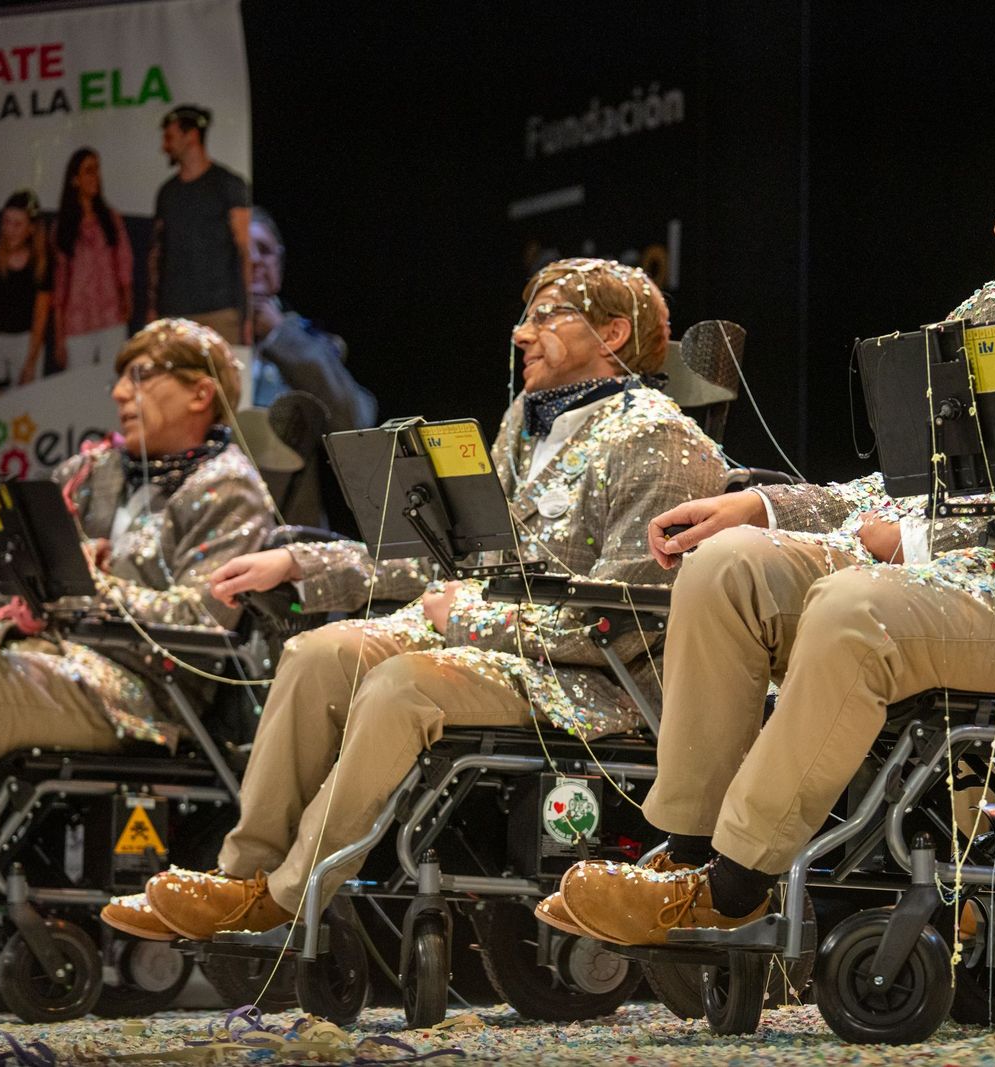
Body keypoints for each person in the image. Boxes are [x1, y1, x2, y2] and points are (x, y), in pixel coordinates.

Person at [535, 137, 995, 945]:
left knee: (855, 605)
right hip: (944, 581)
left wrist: (920, 536)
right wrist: (764, 508)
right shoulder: (986, 316)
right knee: (726, 567)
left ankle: (733, 885)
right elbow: (904, 481)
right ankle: (685, 854)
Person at [99, 259, 728, 941]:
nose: (522, 333)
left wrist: (469, 617)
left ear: (613, 332)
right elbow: (444, 555)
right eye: (525, 317)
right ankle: (240, 873)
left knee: (400, 685)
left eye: (548, 315)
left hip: (591, 681)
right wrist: (301, 562)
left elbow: (624, 618)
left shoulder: (660, 438)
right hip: (492, 643)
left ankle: (285, 895)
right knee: (316, 653)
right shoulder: (526, 425)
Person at [0, 320, 273, 943]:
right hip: (45, 661)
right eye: (120, 378)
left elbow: (204, 618)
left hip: (146, 692)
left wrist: (98, 587)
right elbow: (23, 604)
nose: (118, 393)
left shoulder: (230, 488)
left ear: (201, 393)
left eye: (140, 376)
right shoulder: (93, 472)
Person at [242, 205, 378, 527]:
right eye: (242, 252)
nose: (255, 260)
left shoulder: (308, 341)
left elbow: (357, 420)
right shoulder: (199, 339)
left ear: (280, 262)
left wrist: (278, 335)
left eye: (264, 250)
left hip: (290, 527)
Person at [148, 105, 251, 346]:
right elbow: (157, 254)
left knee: (221, 371)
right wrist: (152, 308)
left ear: (191, 136)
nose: (165, 146)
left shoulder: (228, 184)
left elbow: (246, 251)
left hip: (220, 312)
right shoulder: (167, 192)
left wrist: (246, 315)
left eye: (170, 137)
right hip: (173, 314)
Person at [53, 148, 135, 369]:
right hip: (77, 322)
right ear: (75, 179)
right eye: (89, 171)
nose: (95, 176)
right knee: (79, 383)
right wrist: (59, 336)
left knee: (114, 378)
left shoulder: (111, 219)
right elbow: (59, 285)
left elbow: (124, 262)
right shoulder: (63, 226)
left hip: (111, 316)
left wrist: (127, 298)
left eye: (97, 170)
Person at [0, 190, 52, 387]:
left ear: (31, 228)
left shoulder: (42, 259)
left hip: (24, 340)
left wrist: (31, 362)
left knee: (27, 400)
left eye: (17, 224)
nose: (10, 230)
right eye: (6, 221)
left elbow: (41, 315)